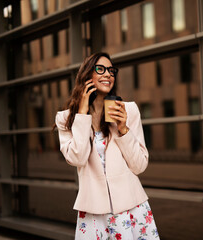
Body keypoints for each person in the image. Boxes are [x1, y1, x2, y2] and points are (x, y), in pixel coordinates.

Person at [55, 52, 160, 239]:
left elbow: (140, 165)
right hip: (93, 210)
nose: (108, 74)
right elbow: (77, 158)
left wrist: (123, 129)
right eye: (100, 69)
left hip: (130, 208)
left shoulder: (128, 110)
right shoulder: (66, 118)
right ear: (87, 75)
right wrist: (82, 114)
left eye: (111, 70)